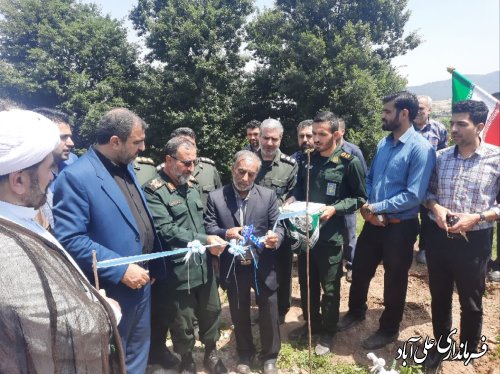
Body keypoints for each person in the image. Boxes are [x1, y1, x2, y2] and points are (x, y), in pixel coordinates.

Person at [0, 109, 125, 373]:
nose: (53, 177)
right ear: (19, 180)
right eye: (48, 168)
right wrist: (106, 312)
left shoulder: (19, 218)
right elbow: (40, 327)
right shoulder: (7, 249)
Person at [53, 108, 166, 374]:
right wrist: (121, 268)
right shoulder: (76, 177)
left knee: (138, 352)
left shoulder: (128, 168)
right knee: (113, 358)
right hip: (111, 290)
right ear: (115, 141)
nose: (143, 147)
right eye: (137, 142)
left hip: (142, 282)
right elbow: (70, 238)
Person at [337, 91, 436, 350]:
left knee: (395, 279)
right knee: (359, 271)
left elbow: (414, 195)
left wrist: (376, 207)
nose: (382, 115)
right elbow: (370, 178)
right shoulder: (384, 143)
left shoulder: (421, 149)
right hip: (373, 223)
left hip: (399, 228)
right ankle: (356, 311)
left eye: (387, 111)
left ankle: (389, 329)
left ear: (404, 114)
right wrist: (370, 210)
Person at [422, 100, 500, 369]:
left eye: (461, 124)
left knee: (471, 299)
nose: (453, 129)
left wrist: (477, 218)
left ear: (479, 126)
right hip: (439, 238)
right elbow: (427, 193)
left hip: (475, 242)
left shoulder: (496, 159)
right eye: (451, 123)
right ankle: (441, 346)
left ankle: (468, 347)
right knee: (440, 296)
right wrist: (436, 206)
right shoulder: (440, 157)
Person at [143, 137, 227, 374]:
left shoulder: (192, 186)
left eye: (194, 162)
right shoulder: (154, 191)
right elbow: (166, 230)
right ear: (169, 160)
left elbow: (203, 222)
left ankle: (211, 353)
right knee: (182, 319)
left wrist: (214, 242)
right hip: (179, 270)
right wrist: (205, 241)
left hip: (205, 264)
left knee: (211, 310)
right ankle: (187, 358)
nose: (191, 168)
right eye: (186, 163)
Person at [288, 111, 367, 356]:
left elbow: (359, 198)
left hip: (330, 236)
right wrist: (290, 200)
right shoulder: (306, 160)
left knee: (330, 287)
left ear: (336, 134)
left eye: (322, 134)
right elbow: (299, 189)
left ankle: (329, 331)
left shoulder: (347, 161)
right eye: (314, 134)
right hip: (305, 233)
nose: (315, 139)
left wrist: (335, 208)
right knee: (306, 282)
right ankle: (311, 323)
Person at [205, 150, 284, 374]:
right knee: (239, 312)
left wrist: (275, 238)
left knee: (269, 310)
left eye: (251, 174)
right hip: (234, 266)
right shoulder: (216, 197)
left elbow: (278, 225)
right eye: (241, 172)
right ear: (233, 169)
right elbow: (209, 227)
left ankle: (270, 356)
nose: (245, 178)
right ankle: (245, 353)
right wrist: (226, 232)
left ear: (257, 175)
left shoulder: (268, 196)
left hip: (263, 264)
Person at [254, 118, 297, 323]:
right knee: (257, 268)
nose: (269, 143)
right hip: (254, 227)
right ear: (259, 137)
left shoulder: (290, 165)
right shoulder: (248, 160)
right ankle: (262, 306)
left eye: (274, 139)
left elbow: (294, 193)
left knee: (282, 269)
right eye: (265, 138)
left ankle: (281, 310)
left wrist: (287, 203)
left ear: (280, 139)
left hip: (280, 227)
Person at [413, 95, 449, 265]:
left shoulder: (439, 129)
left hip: (429, 182)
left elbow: (444, 154)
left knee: (427, 217)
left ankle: (424, 248)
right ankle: (403, 244)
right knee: (408, 215)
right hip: (409, 181)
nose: (418, 111)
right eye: (416, 107)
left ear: (429, 110)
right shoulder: (406, 128)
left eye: (421, 108)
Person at [32, 107, 77, 231]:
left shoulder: (73, 161)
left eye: (70, 136)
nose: (71, 143)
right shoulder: (29, 174)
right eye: (63, 137)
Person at [338, 118, 368, 282]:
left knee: (349, 235)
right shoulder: (324, 149)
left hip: (348, 200)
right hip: (330, 202)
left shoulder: (353, 150)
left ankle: (351, 266)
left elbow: (362, 174)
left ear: (342, 131)